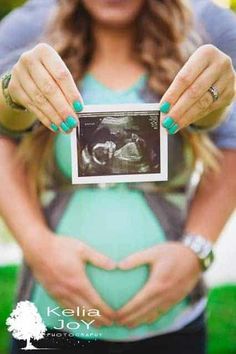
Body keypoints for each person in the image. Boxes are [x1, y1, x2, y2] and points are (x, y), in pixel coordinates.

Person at [0, 0, 235, 353]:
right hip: (52, 320)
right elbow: (7, 130)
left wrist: (195, 252)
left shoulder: (211, 26)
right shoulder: (26, 27)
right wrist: (37, 246)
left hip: (171, 324)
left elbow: (226, 137)